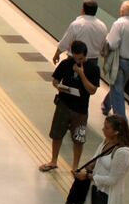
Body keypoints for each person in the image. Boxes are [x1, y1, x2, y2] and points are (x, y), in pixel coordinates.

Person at [41, 40, 100, 172]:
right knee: (57, 134)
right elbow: (55, 81)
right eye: (75, 57)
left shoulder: (93, 69)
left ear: (86, 55)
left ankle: (75, 166)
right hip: (64, 105)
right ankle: (53, 160)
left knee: (79, 139)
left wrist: (81, 74)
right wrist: (59, 87)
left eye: (81, 58)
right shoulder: (66, 64)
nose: (78, 61)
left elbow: (92, 90)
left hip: (81, 110)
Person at [102, 1, 129, 117]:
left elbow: (112, 44)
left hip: (118, 61)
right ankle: (106, 105)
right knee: (118, 87)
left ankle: (121, 122)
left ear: (122, 11)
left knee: (117, 90)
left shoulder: (119, 23)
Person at [53, 0, 109, 66]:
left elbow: (65, 42)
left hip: (75, 60)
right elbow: (103, 45)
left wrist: (57, 54)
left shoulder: (77, 24)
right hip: (93, 62)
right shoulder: (103, 26)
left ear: (83, 10)